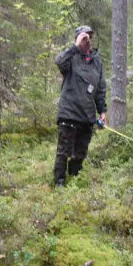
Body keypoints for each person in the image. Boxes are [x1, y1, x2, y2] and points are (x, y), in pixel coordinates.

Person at [53, 25, 107, 186]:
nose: (87, 40)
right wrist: (75, 47)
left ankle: (75, 183)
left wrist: (102, 111)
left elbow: (100, 88)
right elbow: (59, 62)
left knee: (80, 153)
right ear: (77, 38)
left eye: (90, 36)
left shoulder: (97, 61)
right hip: (69, 113)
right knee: (63, 152)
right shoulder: (71, 57)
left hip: (87, 116)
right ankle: (60, 184)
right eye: (84, 36)